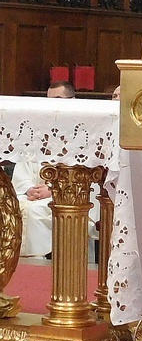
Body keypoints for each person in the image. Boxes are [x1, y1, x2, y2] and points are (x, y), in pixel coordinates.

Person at [12, 82, 99, 258]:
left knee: (33, 212)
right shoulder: (36, 134)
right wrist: (29, 188)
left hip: (72, 196)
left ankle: (35, 265)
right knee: (15, 208)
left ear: (73, 100)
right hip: (34, 197)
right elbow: (24, 167)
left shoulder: (86, 134)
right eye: (49, 100)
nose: (52, 105)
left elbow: (91, 176)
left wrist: (52, 191)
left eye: (58, 99)